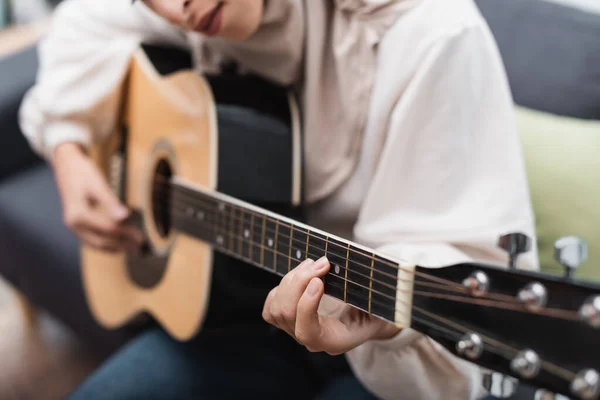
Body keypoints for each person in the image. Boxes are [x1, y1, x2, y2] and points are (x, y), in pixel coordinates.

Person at [18, 0, 539, 399]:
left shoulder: (429, 33)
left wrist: (386, 323)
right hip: (239, 314)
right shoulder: (181, 9)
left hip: (382, 357)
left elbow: (464, 297)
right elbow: (84, 19)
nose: (182, 11)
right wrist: (67, 150)